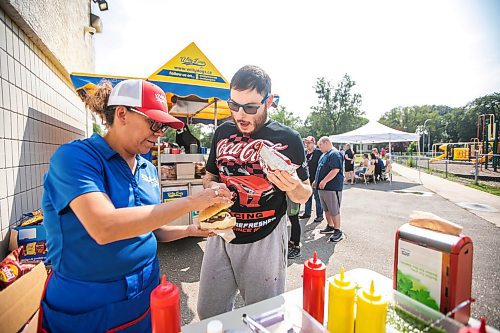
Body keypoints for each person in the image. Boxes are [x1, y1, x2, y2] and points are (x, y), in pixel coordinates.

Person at [40, 79, 231, 332]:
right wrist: (192, 202)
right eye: (153, 123)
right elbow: (104, 227)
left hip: (144, 295)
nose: (159, 133)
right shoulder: (76, 158)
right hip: (89, 300)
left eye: (163, 126)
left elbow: (151, 229)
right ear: (122, 114)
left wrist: (189, 231)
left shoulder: (147, 168)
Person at [197, 65, 312, 319]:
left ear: (268, 101)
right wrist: (213, 187)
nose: (240, 115)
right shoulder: (222, 132)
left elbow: (305, 193)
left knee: (264, 317)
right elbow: (209, 176)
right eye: (234, 105)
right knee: (208, 312)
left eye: (250, 107)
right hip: (222, 234)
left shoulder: (289, 138)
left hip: (266, 236)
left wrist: (294, 187)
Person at [315, 136, 345, 242]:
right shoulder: (324, 154)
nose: (320, 148)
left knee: (334, 210)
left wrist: (324, 181)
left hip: (332, 187)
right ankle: (330, 226)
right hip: (323, 188)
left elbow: (335, 170)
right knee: (326, 209)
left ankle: (338, 230)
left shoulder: (334, 153)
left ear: (326, 142)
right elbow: (320, 169)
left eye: (321, 145)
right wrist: (316, 181)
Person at [299, 136, 324, 222]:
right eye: (306, 143)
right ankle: (307, 213)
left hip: (316, 178)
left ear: (313, 143)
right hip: (307, 179)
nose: (307, 144)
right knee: (307, 197)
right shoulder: (305, 153)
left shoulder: (318, 152)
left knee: (317, 198)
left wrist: (318, 179)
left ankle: (320, 215)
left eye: (309, 143)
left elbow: (321, 166)